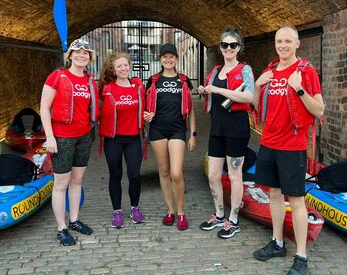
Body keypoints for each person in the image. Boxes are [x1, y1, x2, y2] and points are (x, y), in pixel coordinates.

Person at [252, 25, 324, 275]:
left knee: (296, 200)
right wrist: (258, 87)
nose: (282, 45)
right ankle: (278, 242)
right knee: (273, 193)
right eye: (279, 41)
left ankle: (301, 256)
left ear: (297, 44)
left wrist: (299, 89)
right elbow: (255, 106)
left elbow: (319, 110)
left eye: (287, 41)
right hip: (268, 142)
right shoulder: (269, 71)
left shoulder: (305, 72)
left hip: (293, 145)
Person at [40, 39, 98, 246]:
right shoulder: (57, 77)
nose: (81, 56)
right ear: (70, 56)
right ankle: (61, 227)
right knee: (61, 184)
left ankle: (74, 220)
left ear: (89, 58)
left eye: (85, 53)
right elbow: (45, 108)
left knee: (77, 181)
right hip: (62, 138)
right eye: (78, 53)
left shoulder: (90, 81)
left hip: (84, 136)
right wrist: (50, 137)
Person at [197, 27, 255, 239]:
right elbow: (214, 99)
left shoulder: (244, 70)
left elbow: (249, 96)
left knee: (234, 175)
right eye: (224, 45)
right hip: (217, 128)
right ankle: (220, 214)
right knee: (213, 174)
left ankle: (234, 219)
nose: (228, 48)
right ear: (220, 48)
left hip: (237, 128)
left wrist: (219, 90)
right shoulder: (215, 71)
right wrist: (205, 91)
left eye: (232, 45)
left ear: (238, 47)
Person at [144, 43, 197, 231]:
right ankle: (170, 210)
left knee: (176, 172)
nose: (168, 60)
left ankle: (181, 211)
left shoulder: (184, 80)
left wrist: (192, 134)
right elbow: (145, 106)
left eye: (171, 57)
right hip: (157, 130)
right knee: (164, 171)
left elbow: (190, 110)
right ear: (160, 59)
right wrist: (146, 115)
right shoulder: (153, 80)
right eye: (165, 57)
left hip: (177, 130)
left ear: (176, 59)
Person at [98, 52, 146, 229]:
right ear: (113, 70)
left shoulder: (139, 87)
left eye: (125, 65)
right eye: (119, 66)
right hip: (114, 140)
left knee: (134, 175)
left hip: (133, 139)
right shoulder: (107, 89)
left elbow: (146, 106)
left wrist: (148, 115)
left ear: (129, 66)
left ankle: (135, 208)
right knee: (115, 175)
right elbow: (97, 109)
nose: (123, 68)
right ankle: (117, 211)